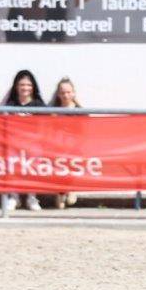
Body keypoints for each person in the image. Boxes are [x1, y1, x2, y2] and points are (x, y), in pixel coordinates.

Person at [1, 69, 45, 211]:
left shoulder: (39, 105)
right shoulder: (11, 104)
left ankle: (32, 197)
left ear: (33, 87)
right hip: (14, 144)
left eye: (28, 85)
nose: (25, 88)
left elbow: (45, 127)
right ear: (16, 87)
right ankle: (14, 197)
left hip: (33, 144)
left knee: (34, 166)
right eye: (22, 85)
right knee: (11, 164)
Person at [49, 77, 81, 209]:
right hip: (58, 147)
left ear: (73, 93)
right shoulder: (53, 111)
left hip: (74, 147)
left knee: (72, 161)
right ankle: (60, 192)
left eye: (68, 92)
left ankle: (71, 189)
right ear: (58, 94)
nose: (66, 95)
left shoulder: (80, 111)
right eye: (63, 92)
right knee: (59, 164)